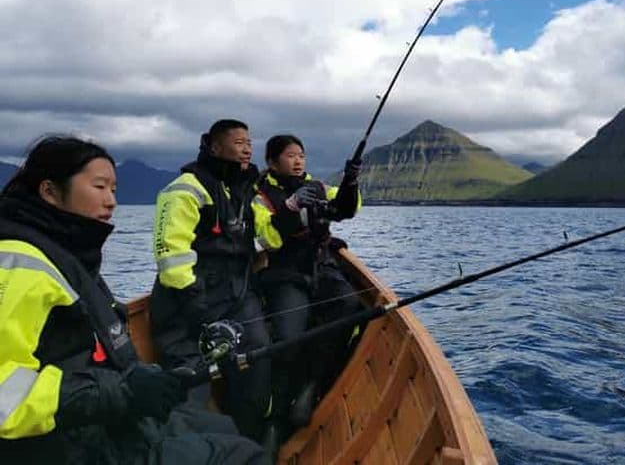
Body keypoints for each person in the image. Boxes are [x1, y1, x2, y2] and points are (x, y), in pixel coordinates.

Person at [0, 135, 264, 464]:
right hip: (69, 446)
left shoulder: (66, 253)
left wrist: (145, 382)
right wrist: (123, 390)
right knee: (244, 455)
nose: (112, 201)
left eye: (114, 189)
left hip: (105, 420)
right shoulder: (19, 265)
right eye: (99, 187)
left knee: (221, 426)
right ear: (49, 191)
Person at [149, 120, 272, 445]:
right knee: (191, 379)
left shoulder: (245, 192)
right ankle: (189, 446)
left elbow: (268, 234)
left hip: (237, 295)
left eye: (249, 142)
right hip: (186, 302)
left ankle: (250, 441)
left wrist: (294, 213)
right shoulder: (185, 188)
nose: (247, 149)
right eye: (239, 142)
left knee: (257, 358)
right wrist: (198, 310)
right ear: (215, 147)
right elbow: (170, 254)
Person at [252, 134, 363, 447]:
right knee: (289, 337)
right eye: (290, 156)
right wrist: (291, 206)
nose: (298, 161)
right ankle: (274, 419)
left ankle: (311, 386)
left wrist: (350, 181)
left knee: (349, 305)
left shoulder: (317, 186)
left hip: (320, 266)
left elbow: (345, 209)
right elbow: (265, 235)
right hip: (285, 271)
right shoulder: (259, 195)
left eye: (301, 155)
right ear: (272, 162)